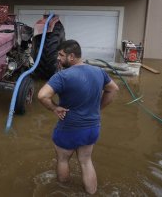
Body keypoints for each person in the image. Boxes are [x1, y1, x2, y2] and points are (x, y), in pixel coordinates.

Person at [37, 40, 119, 194]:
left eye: (61, 55)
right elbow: (113, 89)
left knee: (62, 160)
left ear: (72, 56)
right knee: (86, 162)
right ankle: (92, 193)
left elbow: (42, 96)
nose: (58, 58)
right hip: (92, 128)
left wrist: (54, 108)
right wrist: (98, 108)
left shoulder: (62, 76)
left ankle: (63, 191)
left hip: (69, 128)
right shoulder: (98, 71)